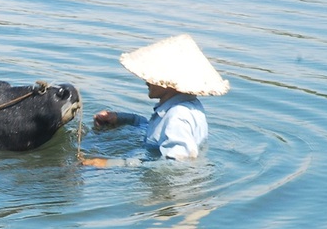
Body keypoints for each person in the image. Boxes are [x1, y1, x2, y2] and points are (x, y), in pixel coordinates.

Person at [82, 34, 229, 167]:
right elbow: (155, 132)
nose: (146, 80)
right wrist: (122, 118)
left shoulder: (178, 116)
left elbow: (177, 164)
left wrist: (111, 163)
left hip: (168, 193)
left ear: (169, 83)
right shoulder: (186, 107)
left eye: (151, 76)